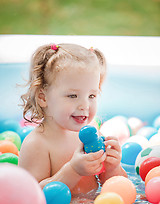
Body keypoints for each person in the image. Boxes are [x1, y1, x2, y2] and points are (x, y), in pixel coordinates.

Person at [19, 43, 127, 195]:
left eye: (91, 96)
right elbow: (31, 194)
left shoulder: (92, 135)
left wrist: (112, 168)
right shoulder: (37, 144)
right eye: (72, 96)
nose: (85, 105)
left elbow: (119, 188)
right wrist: (73, 170)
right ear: (43, 97)